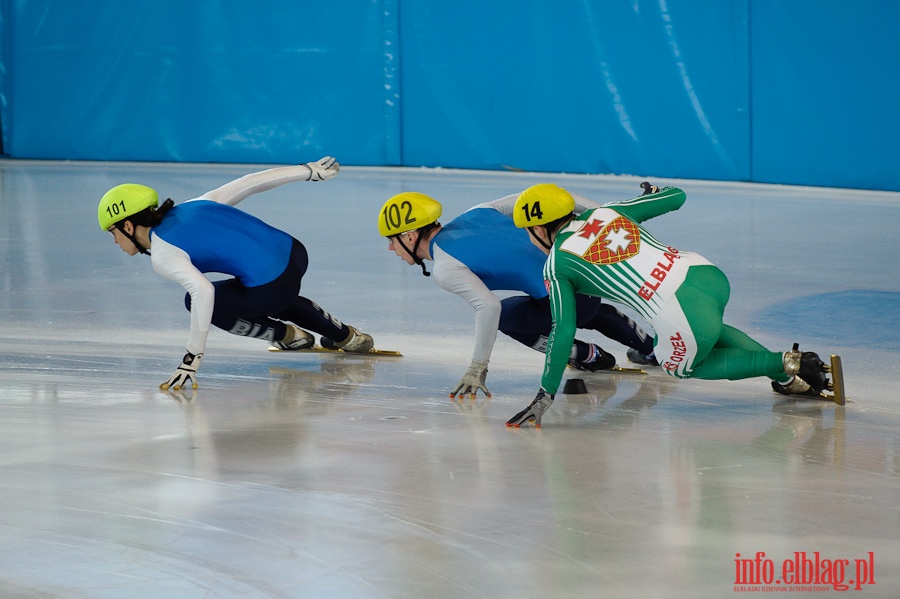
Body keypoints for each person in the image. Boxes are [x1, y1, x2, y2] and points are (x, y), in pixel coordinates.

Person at [506, 182, 830, 427]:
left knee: (680, 365)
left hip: (676, 307)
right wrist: (652, 193)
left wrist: (546, 392)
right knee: (709, 331)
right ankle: (788, 379)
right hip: (705, 276)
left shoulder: (558, 264)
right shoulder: (606, 212)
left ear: (539, 227)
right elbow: (677, 196)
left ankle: (787, 363)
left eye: (528, 234)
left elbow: (562, 331)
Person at [97, 156, 374, 391]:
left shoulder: (162, 254)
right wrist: (307, 171)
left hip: (274, 285)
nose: (114, 242)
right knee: (263, 287)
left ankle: (288, 336)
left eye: (113, 233)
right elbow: (249, 182)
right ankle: (348, 337)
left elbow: (202, 293)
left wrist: (192, 357)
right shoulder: (194, 204)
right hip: (295, 253)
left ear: (129, 227)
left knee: (198, 301)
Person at [377, 190, 656, 399]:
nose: (391, 249)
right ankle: (651, 349)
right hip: (585, 276)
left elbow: (488, 308)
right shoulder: (479, 210)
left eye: (392, 240)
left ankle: (587, 355)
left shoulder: (445, 267)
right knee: (581, 305)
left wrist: (478, 367)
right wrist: (615, 218)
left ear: (410, 236)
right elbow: (559, 196)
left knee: (508, 314)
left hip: (568, 301)